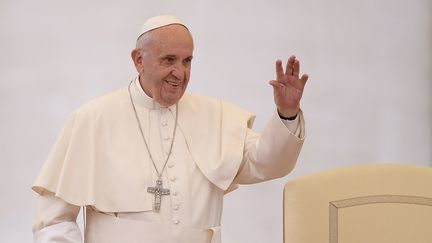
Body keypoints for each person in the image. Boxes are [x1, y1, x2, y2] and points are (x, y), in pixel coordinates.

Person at [32, 15, 309, 243]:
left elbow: (267, 163)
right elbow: (54, 222)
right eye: (169, 60)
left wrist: (286, 113)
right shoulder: (92, 120)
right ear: (138, 60)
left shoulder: (215, 116)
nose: (180, 73)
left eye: (187, 61)